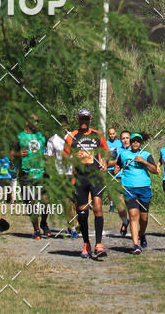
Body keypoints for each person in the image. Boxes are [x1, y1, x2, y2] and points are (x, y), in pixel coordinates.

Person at [63, 108, 110, 259]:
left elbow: (107, 153)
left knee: (97, 207)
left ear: (90, 120)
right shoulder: (72, 136)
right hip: (79, 178)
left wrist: (104, 162)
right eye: (81, 119)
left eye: (86, 119)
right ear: (77, 120)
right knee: (82, 213)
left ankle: (98, 244)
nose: (84, 121)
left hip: (95, 177)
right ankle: (86, 243)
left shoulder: (97, 135)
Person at [115, 132, 158, 255]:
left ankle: (142, 234)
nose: (135, 143)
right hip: (129, 188)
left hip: (144, 188)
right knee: (133, 215)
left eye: (138, 141)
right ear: (131, 142)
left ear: (140, 143)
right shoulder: (124, 154)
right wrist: (116, 169)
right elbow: (117, 165)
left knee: (144, 218)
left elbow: (155, 170)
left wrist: (144, 162)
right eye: (133, 141)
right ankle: (135, 244)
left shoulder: (146, 154)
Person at [14, 113, 52, 239]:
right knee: (32, 202)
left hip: (41, 173)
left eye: (37, 121)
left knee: (46, 201)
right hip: (26, 174)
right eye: (34, 121)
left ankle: (43, 222)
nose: (36, 123)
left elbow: (50, 148)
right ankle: (36, 229)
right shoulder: (19, 136)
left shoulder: (41, 136)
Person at [46, 116, 78, 238]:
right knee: (66, 201)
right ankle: (72, 226)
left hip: (74, 173)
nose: (62, 127)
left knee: (77, 201)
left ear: (67, 125)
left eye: (64, 124)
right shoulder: (52, 140)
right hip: (61, 174)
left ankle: (76, 221)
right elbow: (49, 158)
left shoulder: (73, 137)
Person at [114, 130, 131, 236]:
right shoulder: (117, 151)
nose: (125, 140)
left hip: (131, 180)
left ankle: (136, 228)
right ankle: (125, 221)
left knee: (132, 206)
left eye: (127, 138)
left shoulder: (135, 149)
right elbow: (113, 163)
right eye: (123, 138)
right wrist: (115, 167)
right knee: (120, 206)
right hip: (119, 179)